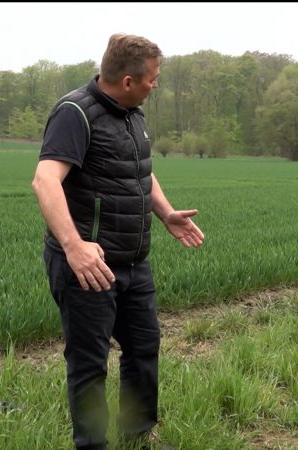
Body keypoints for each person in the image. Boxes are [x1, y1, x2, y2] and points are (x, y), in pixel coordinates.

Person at [31, 33, 204, 450]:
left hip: (133, 262)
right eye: (152, 79)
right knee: (90, 366)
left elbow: (139, 169)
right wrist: (74, 247)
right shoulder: (76, 112)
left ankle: (138, 436)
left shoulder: (132, 115)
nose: (155, 86)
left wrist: (166, 213)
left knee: (144, 348)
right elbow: (45, 180)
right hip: (88, 267)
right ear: (127, 81)